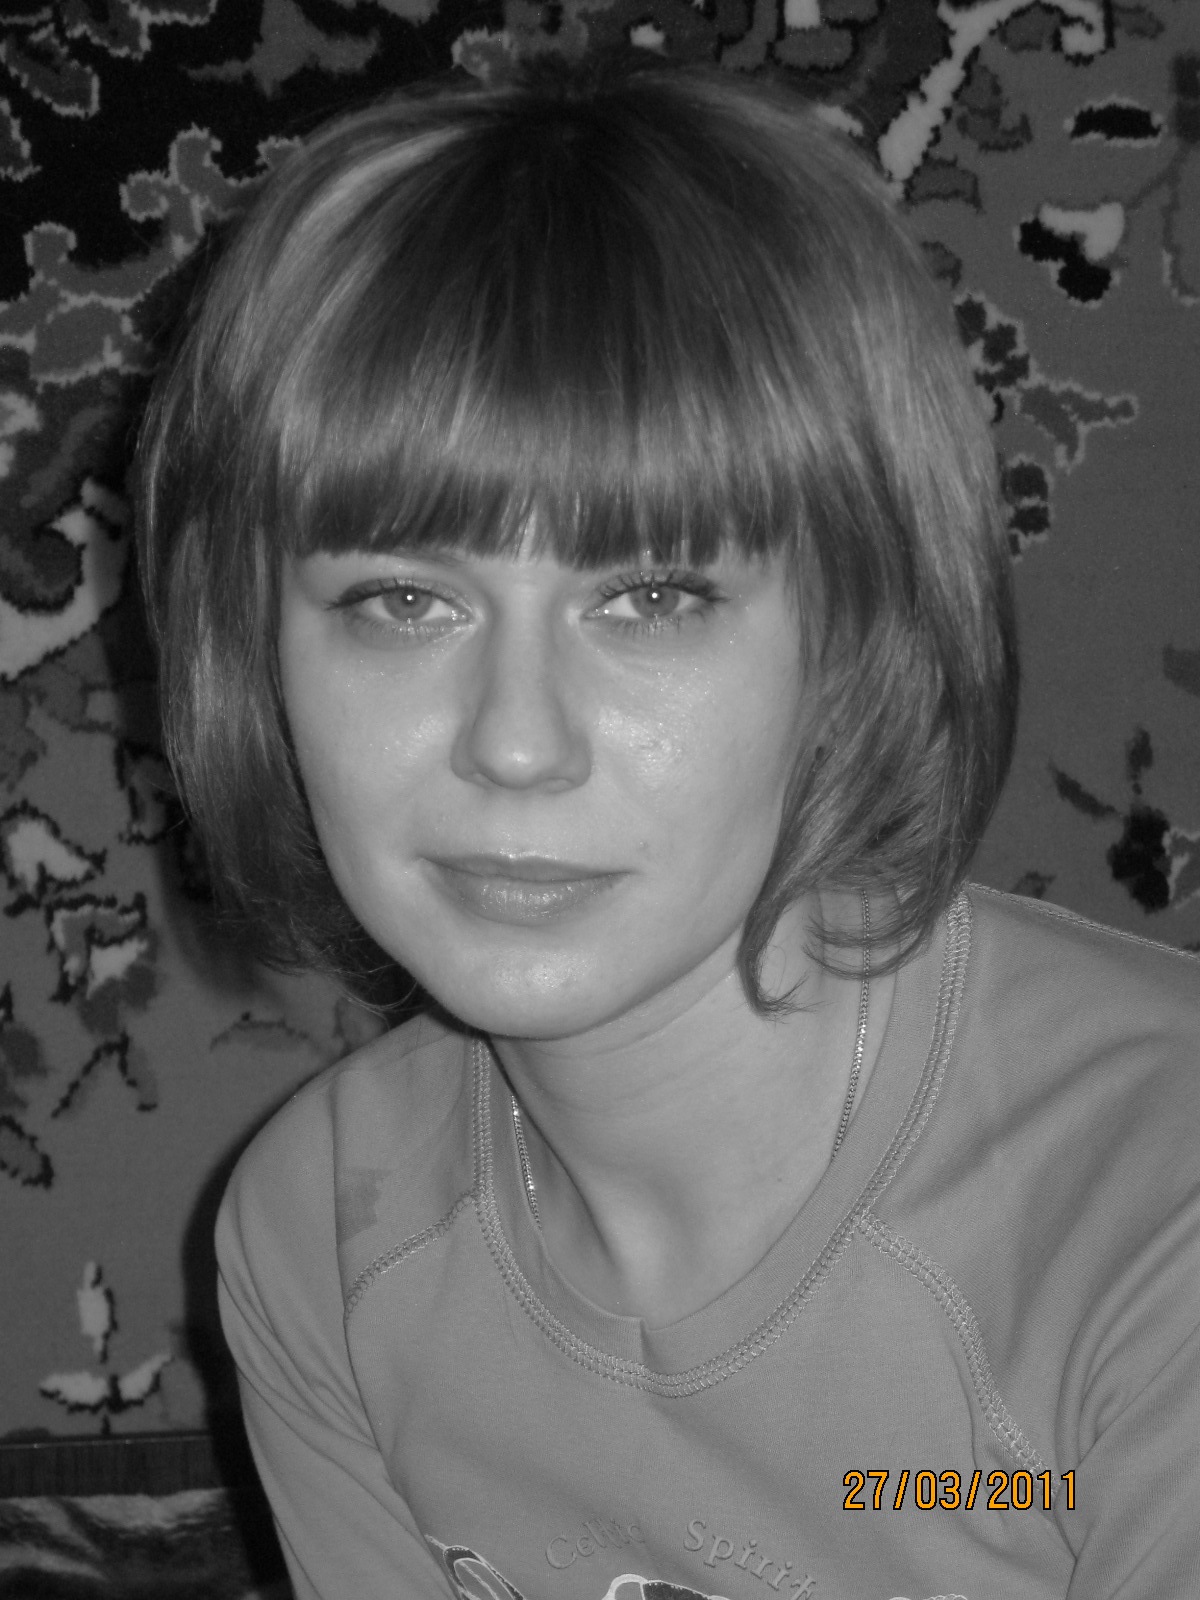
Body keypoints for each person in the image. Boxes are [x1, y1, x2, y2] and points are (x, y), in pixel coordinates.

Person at [135, 58, 1200, 1600]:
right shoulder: (321, 1236)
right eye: (402, 601)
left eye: (652, 596)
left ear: (856, 640)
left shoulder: (1155, 1208)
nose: (514, 740)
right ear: (258, 656)